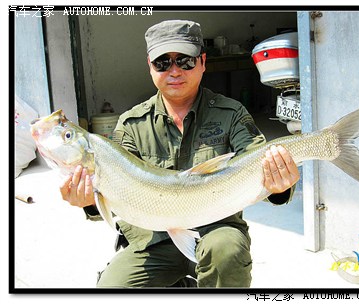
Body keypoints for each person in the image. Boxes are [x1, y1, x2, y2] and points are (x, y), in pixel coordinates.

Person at [59, 20, 300, 288]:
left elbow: (258, 162)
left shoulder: (231, 114)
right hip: (153, 240)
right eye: (163, 63)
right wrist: (88, 200)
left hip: (216, 230)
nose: (174, 71)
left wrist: (279, 184)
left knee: (226, 251)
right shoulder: (131, 124)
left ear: (202, 62)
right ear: (150, 65)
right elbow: (114, 192)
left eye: (184, 61)